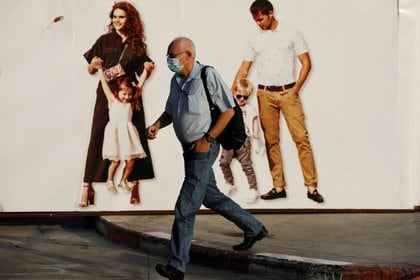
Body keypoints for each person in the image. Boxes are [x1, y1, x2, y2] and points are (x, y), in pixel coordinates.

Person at [148, 37, 267, 280]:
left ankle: (177, 265)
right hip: (189, 151)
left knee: (185, 207)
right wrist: (158, 125)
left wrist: (208, 140)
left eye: (174, 56)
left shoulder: (207, 76)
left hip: (204, 150)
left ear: (189, 55)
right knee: (211, 196)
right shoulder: (176, 80)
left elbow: (228, 111)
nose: (170, 60)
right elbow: (171, 111)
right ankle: (254, 228)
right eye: (168, 56)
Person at [232, 0, 324, 203]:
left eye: (261, 19)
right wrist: (232, 90)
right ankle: (278, 186)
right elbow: (245, 67)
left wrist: (296, 89)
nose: (258, 23)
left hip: (288, 92)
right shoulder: (254, 37)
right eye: (255, 20)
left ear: (271, 13)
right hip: (265, 94)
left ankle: (311, 186)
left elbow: (306, 62)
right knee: (271, 141)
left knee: (301, 138)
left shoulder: (291, 32)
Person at [79, 1, 154, 207]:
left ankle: (134, 183)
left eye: (121, 17)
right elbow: (90, 70)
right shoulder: (104, 40)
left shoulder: (137, 44)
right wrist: (94, 66)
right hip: (106, 95)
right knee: (97, 135)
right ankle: (87, 187)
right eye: (114, 17)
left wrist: (148, 67)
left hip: (130, 95)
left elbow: (144, 68)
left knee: (136, 136)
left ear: (130, 19)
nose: (117, 20)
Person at [90, 56, 152, 195]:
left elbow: (140, 85)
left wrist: (146, 71)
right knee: (116, 161)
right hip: (115, 133)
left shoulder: (131, 101)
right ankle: (110, 180)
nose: (126, 97)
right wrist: (100, 69)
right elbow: (104, 84)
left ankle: (123, 180)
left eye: (129, 94)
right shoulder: (112, 100)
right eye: (124, 94)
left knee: (130, 162)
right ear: (117, 92)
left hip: (128, 133)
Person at [219, 78, 261, 203]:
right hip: (229, 140)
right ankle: (229, 183)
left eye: (245, 97)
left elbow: (254, 121)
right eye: (239, 96)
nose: (242, 99)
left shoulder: (249, 108)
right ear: (234, 93)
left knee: (247, 166)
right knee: (223, 162)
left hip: (243, 142)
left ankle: (253, 189)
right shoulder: (228, 107)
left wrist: (256, 136)